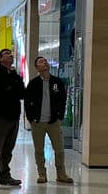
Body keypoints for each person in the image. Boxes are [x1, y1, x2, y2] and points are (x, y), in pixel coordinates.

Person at [24, 56, 73, 184]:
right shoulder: (33, 84)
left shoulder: (57, 82)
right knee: (39, 150)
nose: (44, 62)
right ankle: (42, 174)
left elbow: (63, 100)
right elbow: (27, 102)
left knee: (59, 149)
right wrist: (31, 118)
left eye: (45, 61)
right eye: (41, 61)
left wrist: (59, 117)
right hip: (38, 123)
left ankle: (61, 174)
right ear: (37, 67)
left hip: (53, 122)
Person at [0, 47, 25, 190]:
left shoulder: (16, 75)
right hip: (0, 116)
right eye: (6, 54)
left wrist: (11, 88)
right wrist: (11, 89)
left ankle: (5, 176)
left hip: (14, 116)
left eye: (10, 54)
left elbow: (21, 93)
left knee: (8, 148)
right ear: (0, 59)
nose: (10, 55)